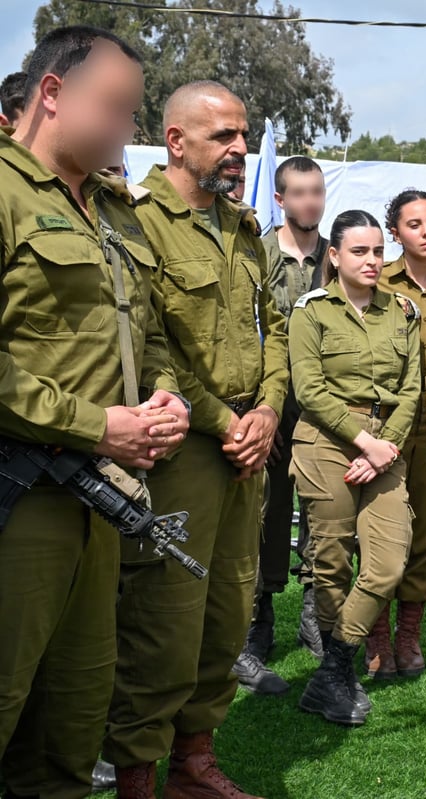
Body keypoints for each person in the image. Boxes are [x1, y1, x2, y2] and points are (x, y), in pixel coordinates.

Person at [0, 26, 187, 799]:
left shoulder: (113, 208)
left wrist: (163, 394)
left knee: (73, 720)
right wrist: (96, 423)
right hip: (19, 500)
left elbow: (144, 327)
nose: (126, 129)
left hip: (102, 500)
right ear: (51, 94)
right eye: (114, 107)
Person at [103, 81, 288, 799]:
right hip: (185, 448)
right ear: (176, 141)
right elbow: (149, 342)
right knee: (164, 620)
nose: (240, 149)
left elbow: (276, 325)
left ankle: (194, 761)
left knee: (228, 611)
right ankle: (137, 776)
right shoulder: (137, 220)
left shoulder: (242, 227)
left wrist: (269, 408)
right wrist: (225, 420)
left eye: (243, 135)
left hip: (248, 447)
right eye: (224, 137)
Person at [289, 209, 421, 726]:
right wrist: (364, 441)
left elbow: (411, 389)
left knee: (387, 563)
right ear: (336, 255)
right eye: (359, 251)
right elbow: (308, 389)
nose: (372, 261)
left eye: (377, 251)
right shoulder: (311, 312)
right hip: (326, 445)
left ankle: (333, 668)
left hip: (385, 449)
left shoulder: (403, 312)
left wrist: (383, 446)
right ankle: (337, 678)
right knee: (331, 565)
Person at [236, 155, 329, 690]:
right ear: (279, 199)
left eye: (316, 192)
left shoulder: (332, 257)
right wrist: (261, 409)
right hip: (267, 403)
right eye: (298, 193)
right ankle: (258, 620)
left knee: (320, 510)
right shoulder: (258, 252)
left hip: (318, 409)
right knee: (263, 514)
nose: (309, 203)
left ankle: (315, 613)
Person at [366, 189, 426, 680]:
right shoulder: (377, 283)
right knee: (383, 519)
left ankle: (409, 633)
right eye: (414, 224)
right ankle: (376, 632)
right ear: (396, 232)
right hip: (384, 413)